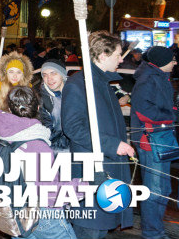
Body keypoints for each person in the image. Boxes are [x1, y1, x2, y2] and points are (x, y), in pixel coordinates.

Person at [61, 31, 134, 238]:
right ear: (103, 55)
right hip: (91, 172)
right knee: (90, 229)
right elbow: (73, 128)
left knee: (100, 229)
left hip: (106, 167)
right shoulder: (78, 84)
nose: (122, 59)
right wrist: (113, 144)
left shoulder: (101, 82)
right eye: (118, 54)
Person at [0, 86, 80, 239]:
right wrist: (86, 184)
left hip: (14, 210)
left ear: (10, 109)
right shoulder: (37, 145)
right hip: (42, 215)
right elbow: (51, 193)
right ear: (38, 108)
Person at [130, 46, 176, 239]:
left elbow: (164, 104)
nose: (175, 62)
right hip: (150, 140)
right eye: (172, 59)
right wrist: (171, 116)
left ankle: (155, 229)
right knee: (155, 190)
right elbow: (143, 111)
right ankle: (152, 233)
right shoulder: (148, 80)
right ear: (162, 62)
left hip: (160, 138)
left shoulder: (158, 77)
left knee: (163, 189)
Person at [37, 59, 70, 152]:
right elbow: (47, 133)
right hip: (57, 149)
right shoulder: (41, 99)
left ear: (62, 75)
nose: (49, 79)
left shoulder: (76, 92)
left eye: (53, 73)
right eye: (45, 75)